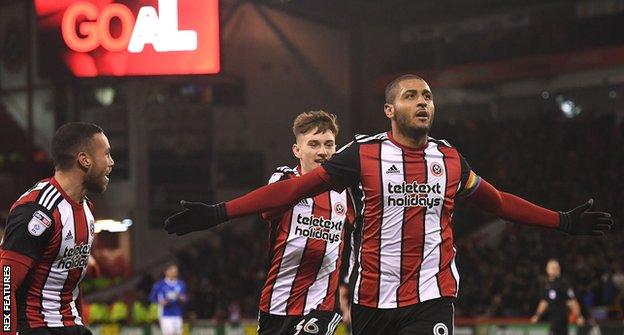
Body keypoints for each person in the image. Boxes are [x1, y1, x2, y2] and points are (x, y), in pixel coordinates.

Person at [164, 74, 614, 335]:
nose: (422, 102)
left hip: (432, 297)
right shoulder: (361, 155)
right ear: (389, 109)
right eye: (411, 96)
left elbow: (497, 202)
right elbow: (291, 190)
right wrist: (220, 212)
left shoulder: (450, 160)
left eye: (428, 96)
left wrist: (562, 221)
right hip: (370, 301)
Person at [0, 122, 114, 335]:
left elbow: (71, 284)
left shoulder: (87, 208)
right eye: (106, 154)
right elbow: (4, 283)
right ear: (84, 160)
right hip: (35, 328)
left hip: (71, 326)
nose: (111, 162)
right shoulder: (37, 211)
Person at [255, 110, 355, 335]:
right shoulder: (283, 179)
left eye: (329, 145)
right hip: (276, 303)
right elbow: (266, 212)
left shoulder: (347, 191)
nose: (323, 152)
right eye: (314, 144)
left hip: (322, 305)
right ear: (297, 150)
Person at [531, 259, 585, 335]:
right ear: (547, 269)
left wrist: (579, 316)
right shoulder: (546, 285)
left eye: (555, 268)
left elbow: (572, 301)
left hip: (561, 319)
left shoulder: (563, 283)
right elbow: (544, 301)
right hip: (552, 318)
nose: (554, 270)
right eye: (551, 267)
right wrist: (537, 315)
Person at [149, 264, 187, 335]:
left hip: (177, 314)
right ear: (166, 272)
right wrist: (160, 302)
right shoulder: (159, 285)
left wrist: (182, 298)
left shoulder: (181, 284)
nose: (174, 273)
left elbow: (185, 298)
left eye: (176, 271)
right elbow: (151, 298)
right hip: (165, 315)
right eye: (172, 271)